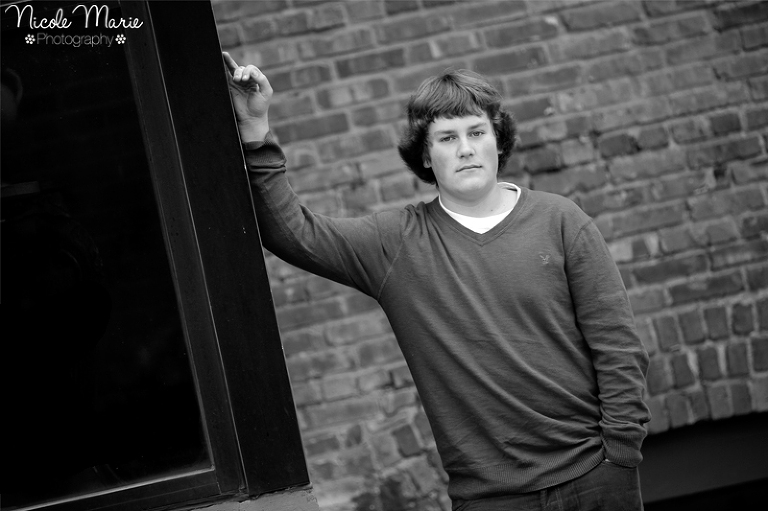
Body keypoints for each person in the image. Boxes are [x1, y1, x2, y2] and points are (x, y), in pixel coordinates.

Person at [223, 52, 651, 511]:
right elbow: (292, 233)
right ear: (426, 155)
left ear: (498, 140)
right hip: (491, 498)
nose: (466, 148)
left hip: (595, 477)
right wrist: (255, 131)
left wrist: (620, 456)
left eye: (476, 132)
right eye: (448, 137)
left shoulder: (561, 221)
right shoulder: (397, 244)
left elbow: (617, 346)